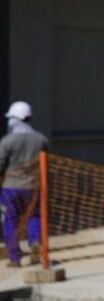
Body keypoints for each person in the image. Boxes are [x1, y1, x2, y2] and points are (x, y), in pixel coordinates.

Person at [0, 101, 48, 267]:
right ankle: (35, 243)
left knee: (9, 221)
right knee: (34, 217)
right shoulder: (41, 140)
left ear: (15, 119)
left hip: (11, 188)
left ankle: (14, 258)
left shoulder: (7, 142)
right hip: (33, 188)